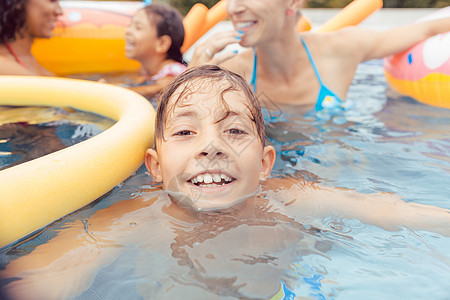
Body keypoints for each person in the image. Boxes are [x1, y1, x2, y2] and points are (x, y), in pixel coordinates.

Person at [1, 66, 449, 300]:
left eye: (235, 131)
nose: (212, 146)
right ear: (154, 168)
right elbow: (41, 278)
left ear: (266, 162)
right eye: (185, 132)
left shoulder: (293, 198)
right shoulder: (135, 220)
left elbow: (389, 211)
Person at [189, 0, 450, 112]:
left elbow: (424, 28)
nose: (234, 8)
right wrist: (193, 79)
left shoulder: (341, 49)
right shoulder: (231, 73)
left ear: (292, 3)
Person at [124, 3, 187, 99]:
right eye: (130, 25)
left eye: (138, 27)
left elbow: (163, 88)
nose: (127, 31)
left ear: (162, 43)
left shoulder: (173, 71)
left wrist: (122, 91)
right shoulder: (149, 73)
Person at [0, 0, 63, 75]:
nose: (59, 12)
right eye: (52, 1)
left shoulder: (27, 59)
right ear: (17, 2)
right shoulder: (4, 67)